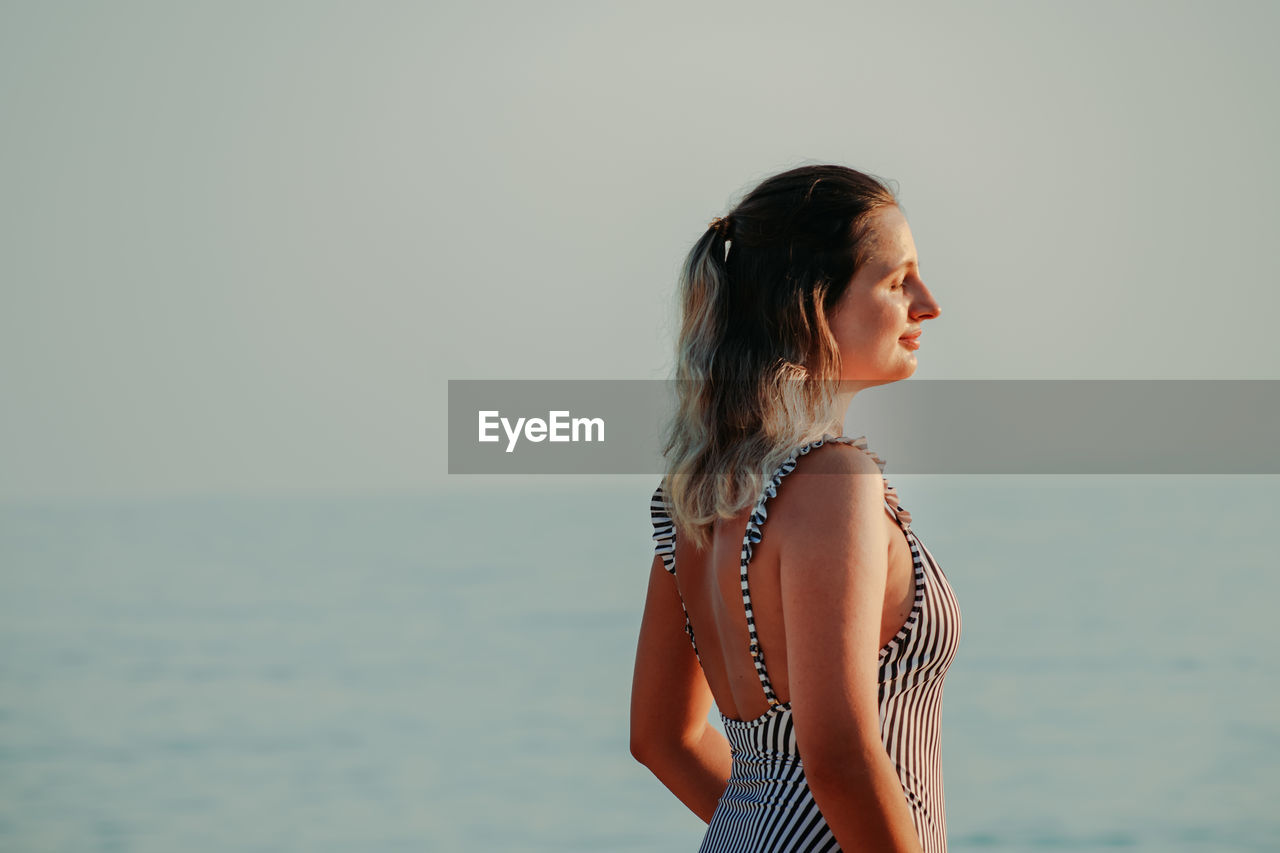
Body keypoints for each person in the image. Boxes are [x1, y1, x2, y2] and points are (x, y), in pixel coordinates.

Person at [630, 164, 961, 852]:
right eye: (898, 281)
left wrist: (776, 832)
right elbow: (837, 753)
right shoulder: (833, 481)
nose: (928, 303)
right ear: (811, 303)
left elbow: (664, 738)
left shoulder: (704, 490)